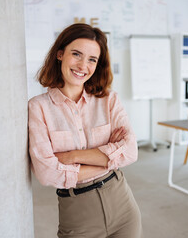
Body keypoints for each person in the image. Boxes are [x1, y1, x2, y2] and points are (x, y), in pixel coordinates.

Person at [28, 23, 142, 238]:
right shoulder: (38, 107)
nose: (83, 65)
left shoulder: (109, 99)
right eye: (76, 54)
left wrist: (71, 157)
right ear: (60, 54)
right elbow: (47, 173)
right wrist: (109, 157)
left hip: (123, 204)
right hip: (78, 213)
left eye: (92, 59)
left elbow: (131, 151)